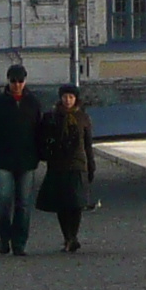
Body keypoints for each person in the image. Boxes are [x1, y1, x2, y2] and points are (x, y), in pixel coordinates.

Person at [0, 64, 43, 255]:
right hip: (3, 159)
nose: (17, 85)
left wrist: (43, 153)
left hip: (27, 160)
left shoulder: (33, 103)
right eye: (13, 81)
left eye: (20, 81)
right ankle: (4, 236)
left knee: (23, 203)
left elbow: (40, 131)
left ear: (25, 81)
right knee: (4, 200)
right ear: (8, 81)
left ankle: (19, 242)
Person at [36, 88, 97, 253]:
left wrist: (91, 165)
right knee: (62, 203)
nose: (67, 100)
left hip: (78, 164)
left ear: (76, 99)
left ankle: (73, 236)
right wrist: (44, 153)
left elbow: (87, 144)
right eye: (65, 97)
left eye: (71, 97)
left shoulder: (83, 118)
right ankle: (67, 237)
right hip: (58, 164)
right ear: (60, 98)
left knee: (76, 203)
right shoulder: (52, 117)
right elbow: (42, 137)